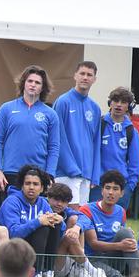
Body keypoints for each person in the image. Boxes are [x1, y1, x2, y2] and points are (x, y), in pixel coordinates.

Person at [0, 65, 60, 192]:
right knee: (10, 211)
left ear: (43, 87)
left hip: (38, 174)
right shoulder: (6, 109)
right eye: (30, 81)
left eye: (37, 82)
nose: (33, 85)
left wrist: (50, 174)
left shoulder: (51, 114)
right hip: (10, 172)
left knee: (36, 212)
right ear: (23, 83)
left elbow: (54, 147)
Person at [0, 165, 64, 277]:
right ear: (22, 186)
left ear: (42, 188)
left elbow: (58, 233)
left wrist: (60, 221)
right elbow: (13, 233)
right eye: (27, 183)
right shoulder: (12, 201)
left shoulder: (43, 203)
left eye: (35, 184)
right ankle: (33, 274)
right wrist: (38, 221)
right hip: (14, 247)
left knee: (54, 223)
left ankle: (48, 272)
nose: (31, 187)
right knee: (42, 225)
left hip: (34, 247)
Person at [79, 170, 139, 277]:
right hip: (93, 260)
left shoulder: (121, 211)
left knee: (125, 232)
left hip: (113, 257)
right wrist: (120, 246)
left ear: (122, 193)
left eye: (115, 189)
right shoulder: (87, 209)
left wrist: (125, 241)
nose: (111, 192)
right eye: (107, 188)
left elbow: (122, 237)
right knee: (116, 276)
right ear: (102, 190)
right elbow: (93, 244)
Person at [46, 183, 113, 277]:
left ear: (68, 203)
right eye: (56, 199)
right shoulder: (42, 207)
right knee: (69, 236)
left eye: (63, 201)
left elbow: (85, 219)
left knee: (75, 221)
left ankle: (80, 268)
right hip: (50, 264)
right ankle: (91, 270)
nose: (59, 204)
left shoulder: (66, 211)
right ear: (48, 197)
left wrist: (76, 228)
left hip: (65, 259)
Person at [54, 61, 101, 208]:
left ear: (94, 79)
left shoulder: (95, 108)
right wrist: (71, 168)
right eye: (82, 73)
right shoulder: (63, 102)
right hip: (66, 172)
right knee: (69, 217)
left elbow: (96, 142)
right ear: (75, 75)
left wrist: (94, 174)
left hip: (85, 173)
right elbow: (57, 138)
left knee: (80, 217)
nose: (85, 77)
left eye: (89, 75)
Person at [95, 87, 139, 209]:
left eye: (123, 102)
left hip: (121, 186)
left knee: (116, 225)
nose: (119, 105)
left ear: (128, 106)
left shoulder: (131, 131)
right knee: (93, 223)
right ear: (110, 103)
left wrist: (129, 186)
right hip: (98, 184)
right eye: (115, 100)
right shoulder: (99, 124)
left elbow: (135, 163)